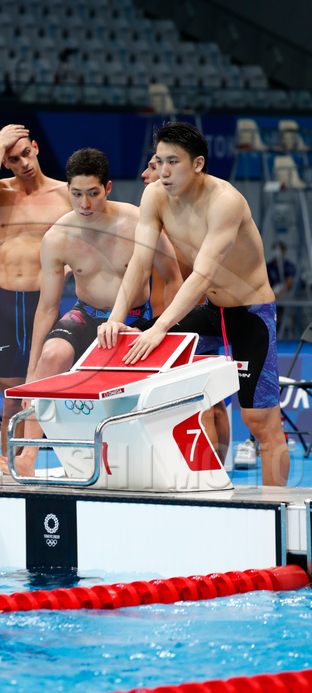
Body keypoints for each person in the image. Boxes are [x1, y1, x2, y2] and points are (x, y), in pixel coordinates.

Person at [98, 122, 288, 487]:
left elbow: (201, 275)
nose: (164, 171)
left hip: (250, 313)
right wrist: (115, 318)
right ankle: (200, 490)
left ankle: (277, 508)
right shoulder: (154, 196)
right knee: (160, 378)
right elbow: (140, 262)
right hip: (210, 312)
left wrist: (160, 327)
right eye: (159, 161)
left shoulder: (225, 201)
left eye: (173, 162)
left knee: (260, 421)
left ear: (198, 164)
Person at [0, 147, 182, 477]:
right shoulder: (57, 237)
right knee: (52, 355)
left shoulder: (138, 222)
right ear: (68, 190)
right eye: (77, 194)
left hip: (134, 320)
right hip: (85, 315)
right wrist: (33, 373)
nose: (85, 204)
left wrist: (162, 330)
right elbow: (47, 307)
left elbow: (174, 278)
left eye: (93, 193)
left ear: (107, 188)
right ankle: (26, 458)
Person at [0, 125, 72, 455]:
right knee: (11, 400)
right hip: (6, 304)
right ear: (5, 162)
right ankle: (9, 472)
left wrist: (68, 270)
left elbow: (90, 239)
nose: (24, 163)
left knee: (42, 394)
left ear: (36, 148)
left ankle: (48, 463)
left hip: (44, 303)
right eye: (13, 159)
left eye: (26, 153)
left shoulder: (65, 194)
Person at [142, 154, 230, 464]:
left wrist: (169, 326)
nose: (146, 174)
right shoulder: (164, 217)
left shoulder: (184, 223)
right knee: (210, 402)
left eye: (152, 167)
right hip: (174, 325)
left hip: (182, 326)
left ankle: (211, 471)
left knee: (202, 403)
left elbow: (196, 280)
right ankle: (217, 470)